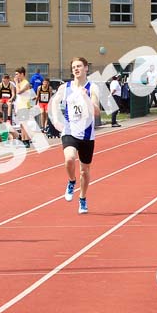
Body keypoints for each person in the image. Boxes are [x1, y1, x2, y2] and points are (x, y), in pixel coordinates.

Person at [52, 57, 100, 214]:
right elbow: (53, 104)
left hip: (87, 135)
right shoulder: (64, 88)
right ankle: (71, 181)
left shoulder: (92, 87)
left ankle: (83, 198)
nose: (76, 69)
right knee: (69, 159)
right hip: (69, 131)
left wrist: (85, 97)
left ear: (86, 68)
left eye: (79, 66)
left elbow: (97, 112)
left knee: (84, 171)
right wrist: (56, 121)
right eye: (74, 67)